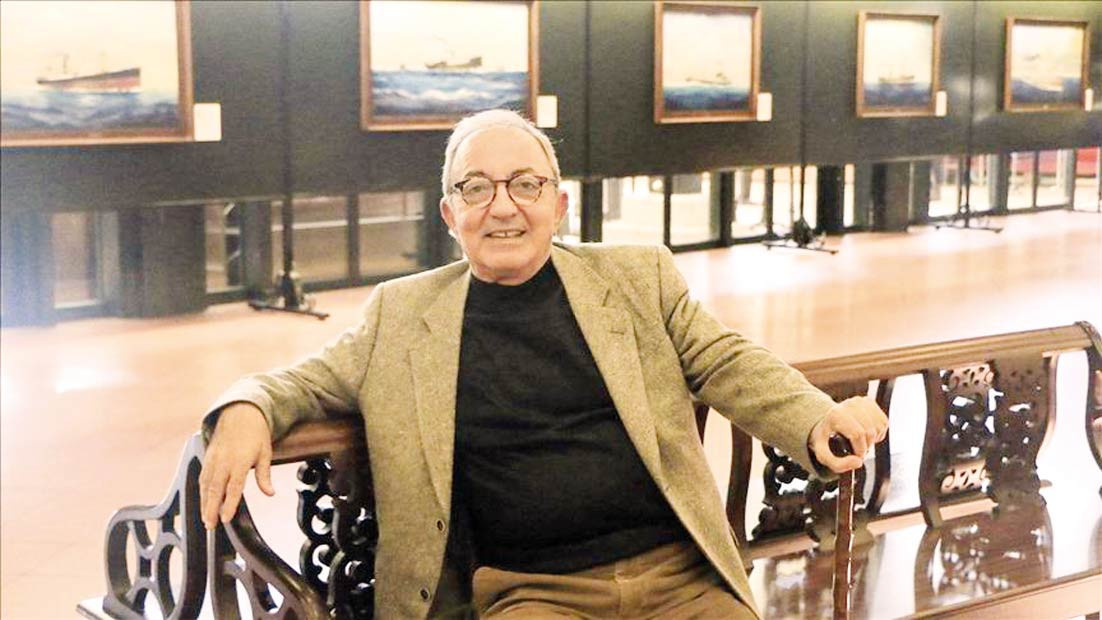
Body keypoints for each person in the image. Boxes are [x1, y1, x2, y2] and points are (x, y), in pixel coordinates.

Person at [200, 109, 888, 619]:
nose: (502, 206)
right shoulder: (402, 315)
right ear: (450, 214)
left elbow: (725, 360)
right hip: (532, 594)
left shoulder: (636, 279)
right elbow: (301, 382)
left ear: (558, 205)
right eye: (476, 188)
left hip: (680, 579)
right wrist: (246, 407)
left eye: (525, 185)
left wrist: (816, 417)